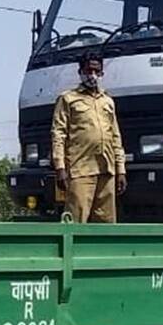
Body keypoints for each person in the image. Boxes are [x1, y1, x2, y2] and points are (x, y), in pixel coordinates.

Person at [51, 51, 127, 223]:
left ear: (101, 73)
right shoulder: (68, 99)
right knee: (75, 220)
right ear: (81, 72)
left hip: (106, 169)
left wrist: (121, 170)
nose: (92, 75)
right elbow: (58, 134)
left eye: (96, 71)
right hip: (80, 169)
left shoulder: (107, 101)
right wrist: (60, 168)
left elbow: (115, 137)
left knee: (106, 223)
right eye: (88, 71)